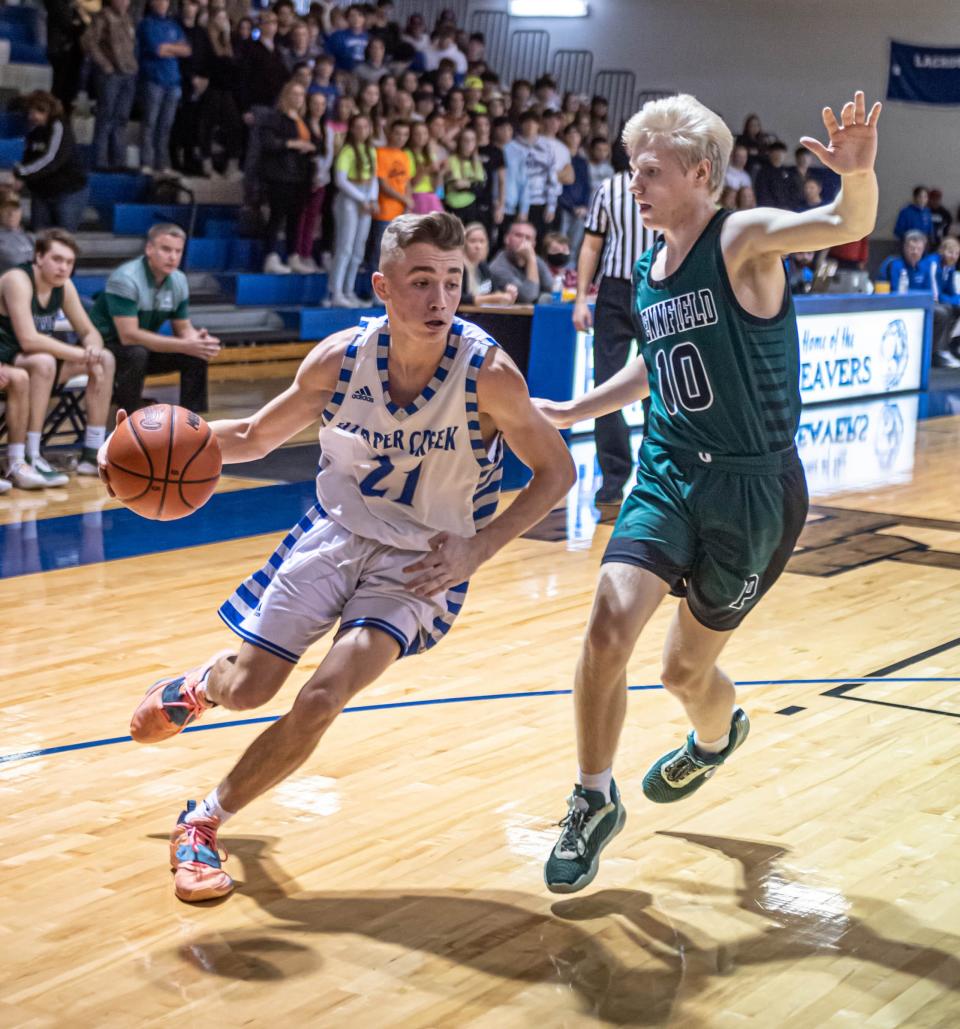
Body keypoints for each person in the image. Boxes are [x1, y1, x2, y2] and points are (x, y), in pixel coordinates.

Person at [104, 211, 575, 903]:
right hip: (334, 532)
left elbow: (556, 473)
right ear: (383, 286)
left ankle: (203, 821)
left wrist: (480, 547)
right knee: (252, 689)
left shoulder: (489, 375)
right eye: (421, 282)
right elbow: (258, 435)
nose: (440, 298)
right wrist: (149, 453)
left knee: (323, 695)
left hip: (420, 563)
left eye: (452, 280)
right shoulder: (340, 358)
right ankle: (204, 684)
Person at [536, 90, 881, 893]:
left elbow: (845, 224)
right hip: (668, 466)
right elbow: (654, 364)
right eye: (631, 169)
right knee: (606, 625)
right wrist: (577, 409)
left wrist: (857, 176)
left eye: (649, 170)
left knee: (683, 674)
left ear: (700, 173)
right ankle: (593, 798)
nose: (635, 183)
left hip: (753, 489)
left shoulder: (740, 238)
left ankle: (715, 740)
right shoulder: (651, 265)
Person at [0, 229, 115, 486]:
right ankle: (31, 453)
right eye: (57, 259)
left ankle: (92, 453)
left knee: (106, 359)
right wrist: (81, 354)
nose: (63, 268)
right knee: (44, 361)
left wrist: (93, 352)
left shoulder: (64, 286)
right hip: (8, 357)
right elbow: (28, 339)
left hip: (33, 361)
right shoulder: (17, 280)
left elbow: (88, 331)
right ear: (38, 257)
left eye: (69, 262)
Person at [573, 168, 657, 518]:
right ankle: (612, 480)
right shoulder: (609, 189)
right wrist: (580, 297)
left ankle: (654, 478)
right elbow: (592, 243)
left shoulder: (671, 182)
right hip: (615, 290)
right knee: (605, 387)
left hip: (657, 284)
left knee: (660, 388)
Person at [90, 223, 220, 413]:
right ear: (149, 249)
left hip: (140, 349)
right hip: (104, 347)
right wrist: (185, 344)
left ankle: (193, 421)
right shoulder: (125, 278)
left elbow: (183, 328)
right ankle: (131, 416)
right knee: (136, 352)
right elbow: (129, 336)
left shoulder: (179, 280)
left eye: (178, 251)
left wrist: (198, 340)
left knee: (196, 354)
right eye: (166, 249)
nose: (173, 257)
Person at [258, 80, 315, 275]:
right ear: (286, 95)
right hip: (280, 175)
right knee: (277, 217)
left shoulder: (303, 120)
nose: (299, 98)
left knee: (295, 218)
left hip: (300, 176)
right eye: (295, 94)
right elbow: (268, 143)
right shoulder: (275, 117)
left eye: (301, 95)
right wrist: (293, 144)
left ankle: (293, 256)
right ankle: (270, 256)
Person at [13, 92, 89, 233]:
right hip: (41, 192)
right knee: (39, 238)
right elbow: (29, 157)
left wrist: (22, 173)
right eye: (30, 112)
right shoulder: (33, 131)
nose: (32, 116)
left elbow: (52, 158)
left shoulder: (59, 126)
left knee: (63, 237)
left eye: (36, 111)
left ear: (47, 110)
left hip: (67, 191)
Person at [329, 114, 379, 307]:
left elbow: (373, 178)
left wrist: (372, 198)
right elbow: (341, 180)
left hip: (365, 198)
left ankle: (349, 291)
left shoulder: (370, 150)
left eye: (365, 127)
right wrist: (363, 199)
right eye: (358, 127)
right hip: (349, 199)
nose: (362, 131)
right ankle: (336, 292)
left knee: (358, 249)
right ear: (351, 129)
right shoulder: (347, 151)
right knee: (345, 247)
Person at [137, 0, 191, 175]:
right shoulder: (146, 24)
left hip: (172, 81)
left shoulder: (173, 25)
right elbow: (157, 49)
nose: (163, 4)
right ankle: (146, 162)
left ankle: (162, 163)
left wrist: (169, 48)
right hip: (153, 79)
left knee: (166, 125)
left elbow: (187, 50)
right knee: (150, 123)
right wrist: (174, 48)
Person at [83, 0, 139, 171]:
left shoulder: (128, 19)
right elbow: (89, 41)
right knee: (105, 117)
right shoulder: (103, 16)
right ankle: (100, 161)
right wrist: (105, 65)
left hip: (128, 73)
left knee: (121, 119)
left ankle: (118, 161)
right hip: (111, 75)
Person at [293, 92, 336, 274]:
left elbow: (329, 155)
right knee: (300, 217)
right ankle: (296, 253)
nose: (319, 107)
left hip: (321, 180)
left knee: (312, 219)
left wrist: (320, 176)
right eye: (315, 103)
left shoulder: (328, 129)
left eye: (322, 104)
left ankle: (307, 254)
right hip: (302, 178)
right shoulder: (302, 125)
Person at [370, 119, 415, 273]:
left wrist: (408, 203)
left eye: (405, 135)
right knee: (380, 253)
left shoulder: (404, 155)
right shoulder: (380, 153)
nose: (401, 138)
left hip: (400, 212)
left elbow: (406, 182)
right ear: (390, 133)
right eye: (398, 133)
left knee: (395, 254)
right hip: (384, 211)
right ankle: (374, 292)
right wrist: (404, 199)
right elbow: (382, 184)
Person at [488, 220, 553, 303]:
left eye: (528, 238)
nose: (523, 241)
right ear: (507, 239)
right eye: (518, 236)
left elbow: (551, 288)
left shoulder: (536, 259)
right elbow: (529, 296)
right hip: (508, 314)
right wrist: (531, 260)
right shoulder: (497, 267)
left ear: (534, 244)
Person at [461, 221, 517, 306]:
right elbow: (458, 298)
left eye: (482, 241)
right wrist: (491, 298)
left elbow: (494, 290)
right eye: (472, 241)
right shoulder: (459, 267)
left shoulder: (482, 267)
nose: (478, 246)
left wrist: (508, 292)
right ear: (464, 244)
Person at [443, 125, 486, 225]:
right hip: (452, 207)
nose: (469, 143)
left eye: (472, 140)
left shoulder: (476, 162)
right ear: (459, 142)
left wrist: (468, 184)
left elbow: (480, 187)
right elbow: (456, 184)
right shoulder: (451, 160)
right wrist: (472, 183)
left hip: (470, 207)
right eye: (465, 140)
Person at [407, 120, 444, 214]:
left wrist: (440, 172)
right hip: (417, 196)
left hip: (431, 195)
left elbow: (437, 188)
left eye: (424, 133)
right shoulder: (407, 154)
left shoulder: (430, 155)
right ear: (411, 136)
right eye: (417, 134)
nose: (421, 137)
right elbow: (411, 184)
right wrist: (427, 170)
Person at [932, 236, 960, 363]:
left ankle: (952, 344)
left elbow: (951, 291)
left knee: (956, 308)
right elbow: (936, 294)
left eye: (957, 253)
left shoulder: (951, 267)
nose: (953, 257)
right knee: (947, 309)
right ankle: (938, 349)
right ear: (942, 251)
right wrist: (954, 301)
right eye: (950, 252)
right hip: (931, 299)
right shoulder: (933, 263)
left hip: (942, 298)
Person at [0, 194, 34, 275]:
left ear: (21, 212)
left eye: (15, 209)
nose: (11, 213)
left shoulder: (30, 237)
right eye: (6, 209)